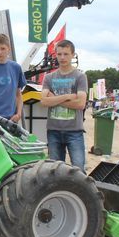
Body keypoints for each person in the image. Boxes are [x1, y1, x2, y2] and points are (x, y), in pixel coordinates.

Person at [40, 39, 88, 172]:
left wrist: (54, 98)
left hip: (74, 131)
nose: (62, 57)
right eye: (59, 54)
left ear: (73, 55)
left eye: (66, 54)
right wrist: (67, 96)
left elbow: (80, 104)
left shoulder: (80, 77)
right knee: (54, 171)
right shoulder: (49, 78)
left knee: (78, 169)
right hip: (53, 130)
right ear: (55, 54)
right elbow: (43, 101)